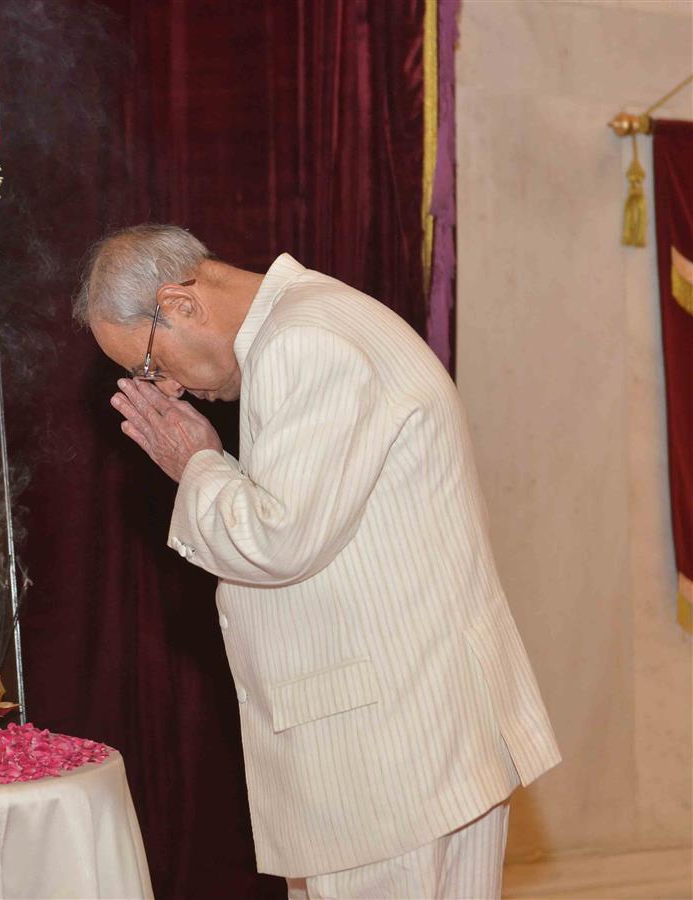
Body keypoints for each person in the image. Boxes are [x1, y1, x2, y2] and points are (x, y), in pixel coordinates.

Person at [76, 224, 560, 899]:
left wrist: (198, 465)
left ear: (181, 305)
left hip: (387, 752)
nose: (168, 390)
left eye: (152, 366)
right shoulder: (312, 323)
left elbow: (280, 541)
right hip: (412, 738)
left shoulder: (306, 342)